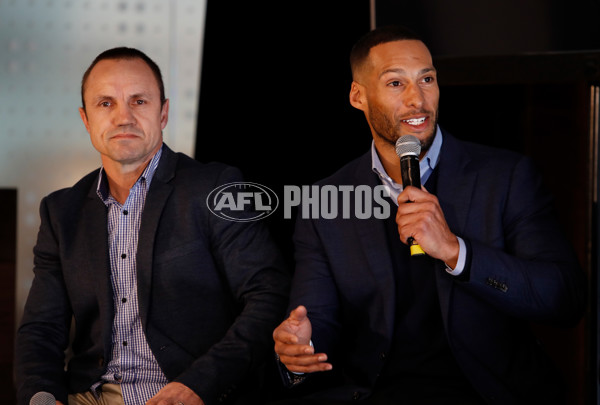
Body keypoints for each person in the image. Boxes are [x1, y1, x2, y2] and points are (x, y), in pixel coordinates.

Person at [272, 25, 587, 404]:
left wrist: (456, 251)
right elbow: (316, 318)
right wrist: (298, 348)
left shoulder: (505, 177)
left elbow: (564, 299)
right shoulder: (326, 199)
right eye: (394, 83)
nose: (417, 99)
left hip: (485, 394)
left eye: (427, 79)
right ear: (358, 96)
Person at [15, 47, 290, 405]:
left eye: (139, 101)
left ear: (163, 113)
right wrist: (40, 397)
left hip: (187, 391)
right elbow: (41, 329)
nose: (123, 117)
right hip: (89, 395)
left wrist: (199, 384)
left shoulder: (216, 188)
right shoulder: (61, 211)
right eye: (106, 104)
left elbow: (268, 295)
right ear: (86, 120)